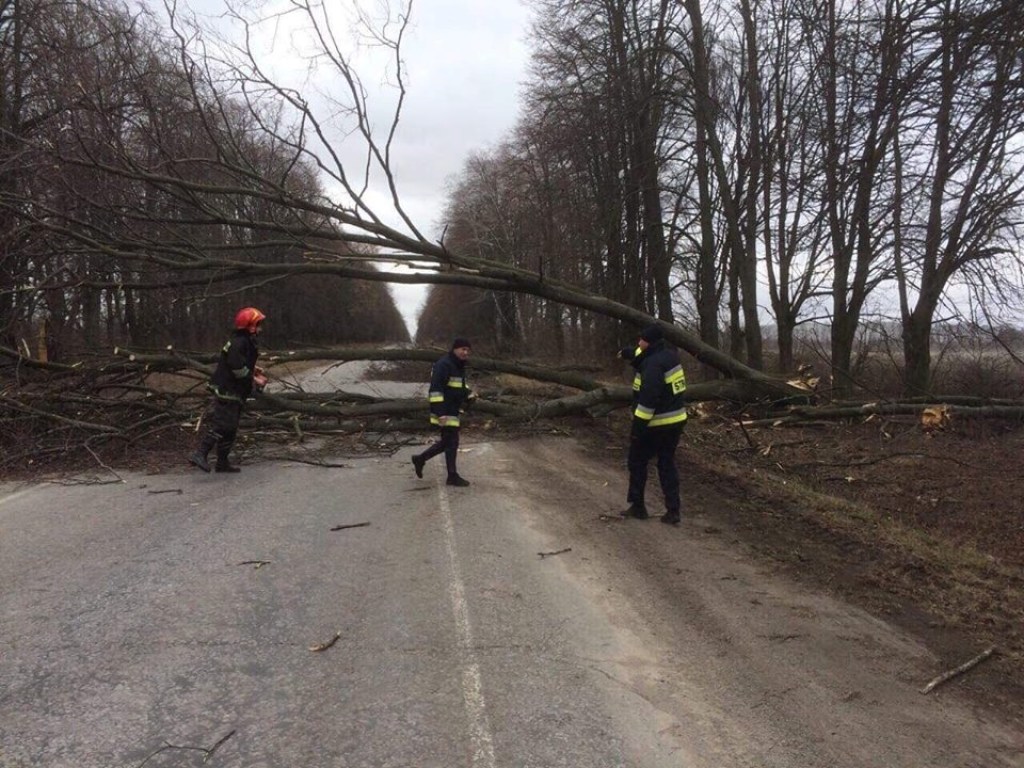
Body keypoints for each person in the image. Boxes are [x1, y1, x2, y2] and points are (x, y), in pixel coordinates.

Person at [620, 323, 688, 524]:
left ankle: (638, 506)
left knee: (637, 461)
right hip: (676, 421)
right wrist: (628, 353)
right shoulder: (670, 357)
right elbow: (641, 354)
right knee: (667, 464)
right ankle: (673, 511)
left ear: (648, 342)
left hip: (655, 424)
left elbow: (648, 401)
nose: (638, 343)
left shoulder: (652, 366)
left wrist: (637, 429)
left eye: (641, 340)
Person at [189, 307, 267, 474]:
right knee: (223, 425)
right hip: (228, 389)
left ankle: (222, 462)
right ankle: (200, 453)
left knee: (231, 427)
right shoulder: (240, 342)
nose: (260, 328)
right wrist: (254, 379)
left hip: (236, 390)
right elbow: (236, 368)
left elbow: (240, 363)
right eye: (258, 324)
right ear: (250, 326)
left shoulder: (244, 341)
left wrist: (253, 370)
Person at [411, 337, 474, 487]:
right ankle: (451, 475)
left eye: (468, 350)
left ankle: (420, 459)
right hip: (445, 410)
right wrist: (440, 413)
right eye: (463, 349)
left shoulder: (458, 365)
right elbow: (436, 390)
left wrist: (469, 393)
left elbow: (457, 386)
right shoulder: (444, 365)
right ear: (455, 349)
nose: (466, 352)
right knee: (451, 442)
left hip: (452, 409)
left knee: (448, 442)